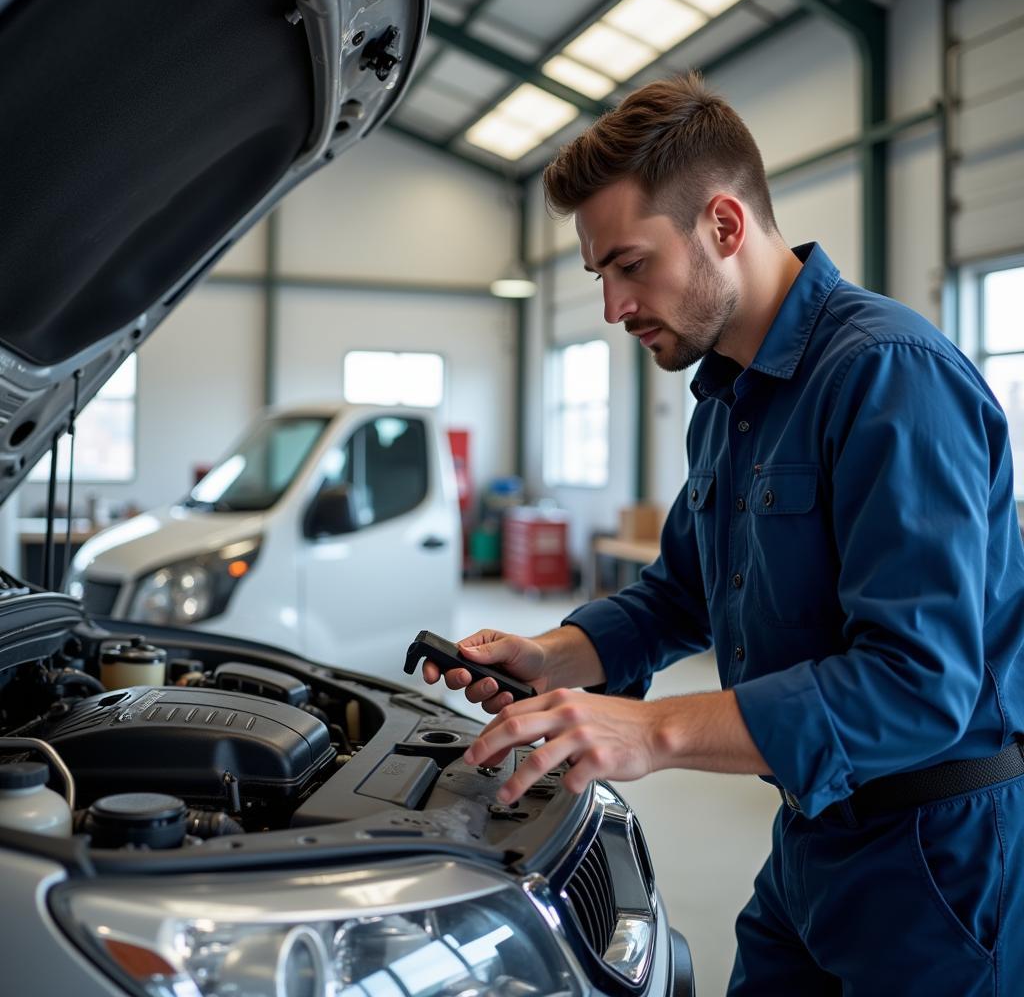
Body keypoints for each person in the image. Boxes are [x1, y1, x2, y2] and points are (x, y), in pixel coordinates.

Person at [422, 73, 1024, 995]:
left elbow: (916, 683)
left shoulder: (889, 377)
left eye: (630, 265)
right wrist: (556, 655)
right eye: (601, 277)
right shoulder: (726, 400)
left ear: (725, 227)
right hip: (810, 840)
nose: (614, 308)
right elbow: (683, 595)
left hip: (933, 861)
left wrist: (654, 731)